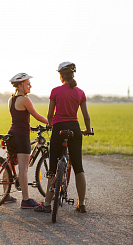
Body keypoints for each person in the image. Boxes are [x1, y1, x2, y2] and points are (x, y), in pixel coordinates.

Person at [34, 61, 91, 213]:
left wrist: (50, 125)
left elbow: (49, 114)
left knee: (53, 167)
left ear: (61, 76)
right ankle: (82, 203)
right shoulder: (80, 92)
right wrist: (87, 129)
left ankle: (47, 204)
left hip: (58, 129)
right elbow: (86, 116)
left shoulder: (55, 91)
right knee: (78, 167)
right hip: (74, 129)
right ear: (73, 75)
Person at [4, 72, 48, 208]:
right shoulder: (25, 100)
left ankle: (5, 196)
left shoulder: (11, 100)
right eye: (28, 84)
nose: (30, 86)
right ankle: (26, 199)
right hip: (22, 136)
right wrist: (51, 123)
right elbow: (37, 116)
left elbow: (19, 118)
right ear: (20, 86)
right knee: (23, 169)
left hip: (11, 134)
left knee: (9, 165)